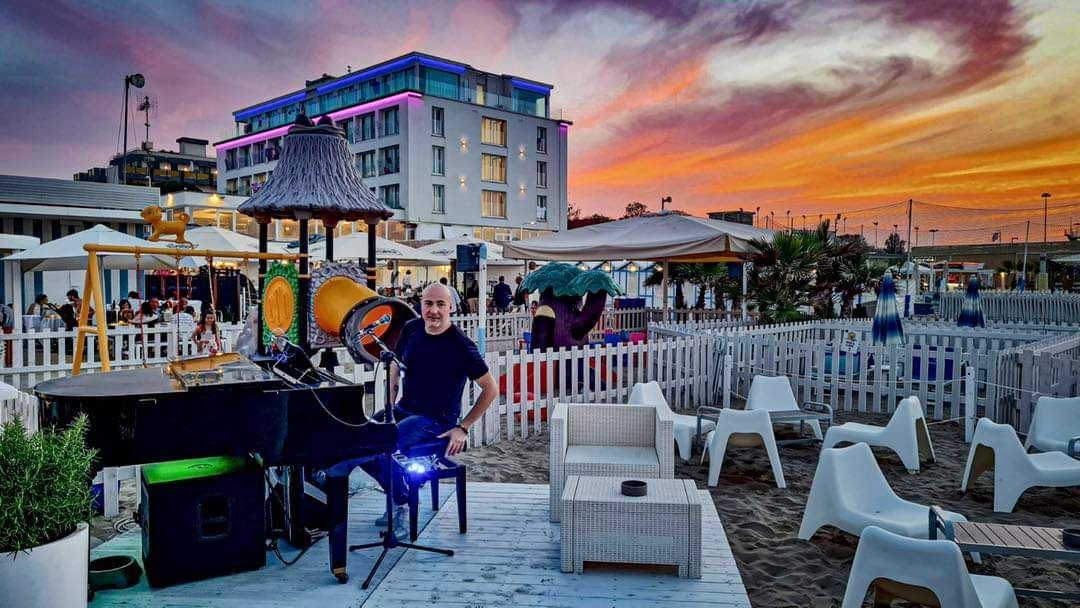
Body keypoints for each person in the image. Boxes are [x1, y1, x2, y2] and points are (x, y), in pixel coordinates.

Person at [324, 282, 498, 580]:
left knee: (380, 443)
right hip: (404, 410)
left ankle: (400, 502)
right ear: (421, 305)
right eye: (428, 304)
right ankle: (400, 494)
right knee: (360, 436)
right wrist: (391, 402)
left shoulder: (461, 345)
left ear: (451, 308)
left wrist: (463, 428)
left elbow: (490, 389)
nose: (434, 311)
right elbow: (396, 364)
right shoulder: (411, 329)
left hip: (436, 419)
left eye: (440, 305)